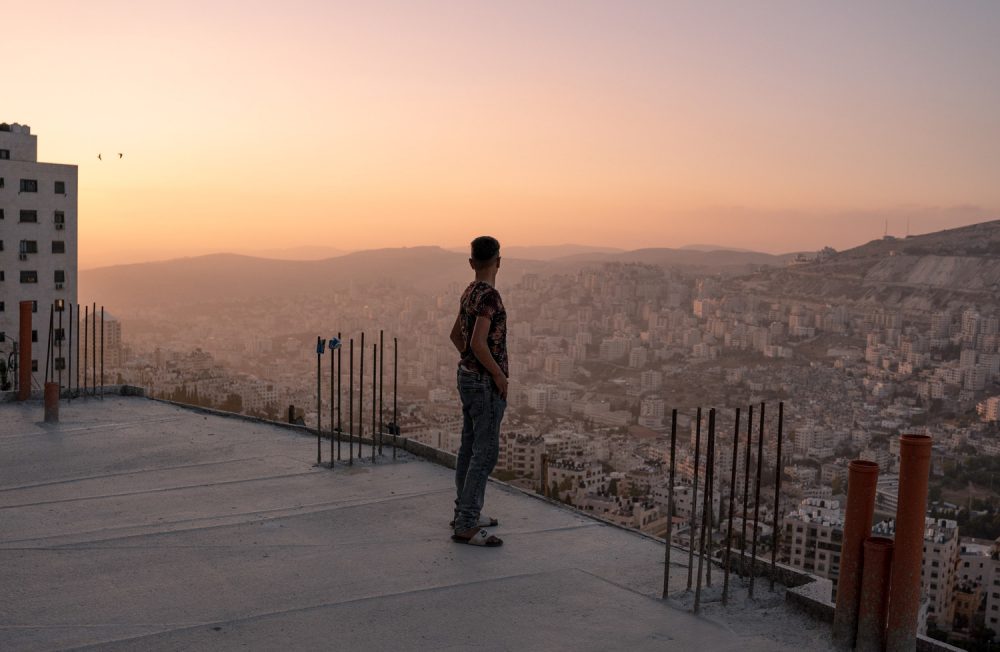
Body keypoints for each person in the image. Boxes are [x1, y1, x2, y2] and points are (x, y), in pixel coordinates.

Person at [449, 236, 509, 547]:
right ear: (499, 261)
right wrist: (497, 374)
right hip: (484, 384)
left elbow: (456, 336)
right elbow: (476, 342)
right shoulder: (490, 298)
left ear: (472, 263)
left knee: (469, 447)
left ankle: (465, 513)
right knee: (485, 453)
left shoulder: (469, 292)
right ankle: (467, 523)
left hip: (467, 377)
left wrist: (470, 362)